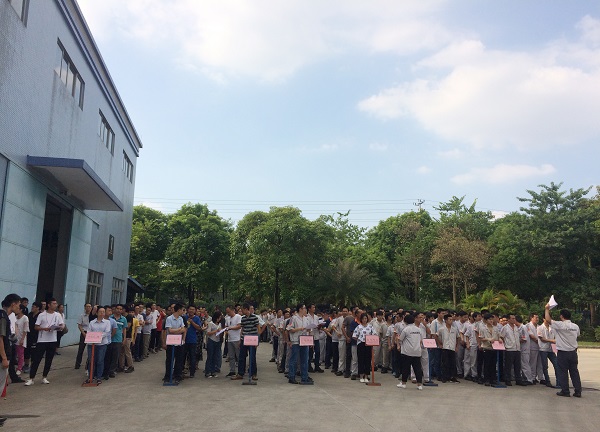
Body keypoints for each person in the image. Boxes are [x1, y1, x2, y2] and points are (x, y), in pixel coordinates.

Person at [544, 304, 581, 397]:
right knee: (574, 372)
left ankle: (565, 391)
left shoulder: (560, 325)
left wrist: (547, 309)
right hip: (573, 352)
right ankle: (578, 391)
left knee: (563, 372)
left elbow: (548, 320)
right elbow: (577, 336)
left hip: (563, 352)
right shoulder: (575, 326)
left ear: (561, 316)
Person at [25, 298, 64, 386]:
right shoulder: (42, 315)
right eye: (53, 303)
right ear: (49, 305)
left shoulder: (57, 315)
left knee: (49, 359)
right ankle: (31, 378)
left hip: (52, 340)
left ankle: (44, 377)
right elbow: (36, 327)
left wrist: (59, 327)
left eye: (56, 303)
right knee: (36, 360)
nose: (55, 305)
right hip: (42, 340)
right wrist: (44, 328)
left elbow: (62, 325)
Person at [0, 293, 21, 427]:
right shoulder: (3, 317)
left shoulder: (5, 317)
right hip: (1, 359)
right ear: (13, 304)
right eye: (18, 305)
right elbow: (0, 338)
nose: (19, 307)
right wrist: (4, 358)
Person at [232, 303, 260, 381]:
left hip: (253, 339)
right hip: (244, 338)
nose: (242, 311)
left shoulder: (254, 318)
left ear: (246, 309)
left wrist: (257, 340)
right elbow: (242, 329)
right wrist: (240, 339)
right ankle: (240, 373)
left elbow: (258, 328)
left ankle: (253, 374)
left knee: (252, 357)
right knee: (241, 356)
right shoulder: (243, 318)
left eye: (242, 310)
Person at [86, 307, 112, 384]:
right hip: (91, 344)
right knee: (91, 360)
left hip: (102, 344)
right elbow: (89, 331)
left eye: (103, 312)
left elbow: (107, 332)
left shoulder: (107, 322)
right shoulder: (92, 322)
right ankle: (90, 377)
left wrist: (97, 337)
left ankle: (99, 377)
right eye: (100, 312)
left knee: (100, 360)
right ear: (97, 313)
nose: (102, 313)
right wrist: (94, 337)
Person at [397, 314, 423, 390]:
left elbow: (400, 339)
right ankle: (419, 384)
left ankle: (403, 383)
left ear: (405, 321)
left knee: (405, 368)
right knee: (417, 368)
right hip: (417, 351)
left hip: (407, 351)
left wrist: (397, 339)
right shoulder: (418, 329)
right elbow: (420, 340)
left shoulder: (406, 329)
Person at [500, 314, 526, 386]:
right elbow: (501, 336)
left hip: (517, 348)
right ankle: (507, 379)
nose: (514, 320)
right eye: (512, 318)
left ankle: (518, 380)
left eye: (514, 318)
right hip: (509, 349)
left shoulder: (516, 327)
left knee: (517, 366)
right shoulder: (505, 328)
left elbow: (519, 336)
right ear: (508, 319)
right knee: (508, 365)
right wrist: (506, 344)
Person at [163, 303, 186, 383]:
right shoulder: (169, 319)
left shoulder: (181, 319)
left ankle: (177, 376)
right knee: (169, 360)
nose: (183, 311)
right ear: (178, 310)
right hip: (170, 341)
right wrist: (179, 329)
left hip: (178, 341)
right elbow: (170, 330)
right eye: (182, 310)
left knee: (179, 360)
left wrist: (177, 330)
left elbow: (183, 329)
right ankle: (168, 376)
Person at [537, 315, 560, 388]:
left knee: (556, 365)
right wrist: (551, 341)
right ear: (543, 319)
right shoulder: (540, 328)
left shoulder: (552, 327)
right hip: (543, 349)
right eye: (546, 319)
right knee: (545, 366)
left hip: (551, 349)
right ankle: (547, 381)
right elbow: (542, 339)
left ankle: (559, 382)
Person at [437, 313, 460, 383]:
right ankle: (444, 377)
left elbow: (458, 337)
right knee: (445, 363)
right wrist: (439, 343)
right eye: (449, 319)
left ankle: (452, 376)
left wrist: (457, 346)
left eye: (452, 320)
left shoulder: (454, 329)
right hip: (445, 347)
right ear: (446, 320)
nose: (451, 321)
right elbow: (436, 336)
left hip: (452, 347)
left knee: (453, 363)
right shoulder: (441, 329)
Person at [353, 312, 375, 383]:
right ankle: (361, 375)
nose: (364, 320)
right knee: (361, 360)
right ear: (361, 319)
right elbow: (354, 336)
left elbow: (374, 334)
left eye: (365, 318)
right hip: (361, 344)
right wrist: (360, 339)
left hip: (368, 344)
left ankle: (366, 376)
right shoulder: (358, 327)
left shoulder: (370, 327)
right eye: (363, 319)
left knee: (368, 360)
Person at [477, 313, 498, 386]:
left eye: (492, 319)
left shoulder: (495, 328)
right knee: (487, 364)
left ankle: (493, 379)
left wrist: (500, 339)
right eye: (489, 319)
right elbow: (481, 338)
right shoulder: (483, 328)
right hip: (486, 347)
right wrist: (488, 339)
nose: (491, 321)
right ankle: (486, 379)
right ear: (486, 320)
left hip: (494, 348)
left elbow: (499, 336)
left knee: (493, 364)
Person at [204, 311, 223, 377]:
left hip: (217, 340)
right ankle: (207, 371)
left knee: (215, 356)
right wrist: (216, 331)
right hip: (211, 340)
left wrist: (221, 332)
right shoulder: (211, 323)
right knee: (210, 356)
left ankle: (213, 371)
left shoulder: (219, 324)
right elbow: (208, 333)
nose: (219, 319)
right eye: (219, 317)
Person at [225, 305, 242, 377]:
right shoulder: (227, 318)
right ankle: (232, 370)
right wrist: (226, 330)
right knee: (231, 356)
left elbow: (239, 326)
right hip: (230, 339)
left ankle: (240, 370)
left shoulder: (238, 317)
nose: (228, 313)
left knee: (238, 355)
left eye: (229, 312)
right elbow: (226, 326)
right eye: (227, 312)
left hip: (237, 338)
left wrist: (230, 328)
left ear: (233, 310)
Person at [75, 303, 92, 369]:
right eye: (87, 306)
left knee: (90, 349)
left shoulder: (93, 315)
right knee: (81, 349)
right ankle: (77, 364)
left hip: (91, 333)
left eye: (90, 306)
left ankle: (88, 365)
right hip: (84, 332)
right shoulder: (82, 315)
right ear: (85, 307)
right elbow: (79, 325)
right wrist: (83, 333)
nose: (88, 308)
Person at [14, 305, 28, 376]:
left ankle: (19, 368)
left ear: (21, 310)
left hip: (21, 338)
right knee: (14, 354)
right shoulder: (15, 317)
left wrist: (22, 339)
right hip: (14, 338)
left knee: (20, 354)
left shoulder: (25, 318)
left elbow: (25, 329)